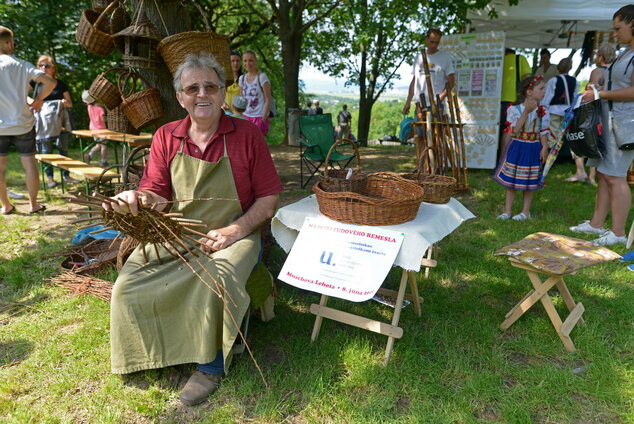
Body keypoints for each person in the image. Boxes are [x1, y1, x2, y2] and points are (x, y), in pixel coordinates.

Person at [105, 52, 283, 406]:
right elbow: (154, 192)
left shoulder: (246, 135)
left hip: (237, 235)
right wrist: (136, 198)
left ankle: (209, 366)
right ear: (181, 97)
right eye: (192, 88)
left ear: (221, 93)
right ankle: (148, 351)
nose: (202, 94)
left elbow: (269, 200)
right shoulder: (166, 136)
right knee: (129, 281)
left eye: (210, 87)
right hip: (180, 232)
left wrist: (235, 230)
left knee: (215, 280)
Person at [571, 5, 634, 246]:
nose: (615, 33)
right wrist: (597, 91)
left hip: (626, 125)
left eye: (618, 28)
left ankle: (617, 233)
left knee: (616, 177)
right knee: (605, 173)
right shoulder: (626, 52)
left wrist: (601, 95)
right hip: (611, 122)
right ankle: (596, 224)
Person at [0, 26, 53, 215]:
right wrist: (39, 100)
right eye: (12, 42)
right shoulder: (21, 64)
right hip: (23, 124)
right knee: (29, 163)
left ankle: (6, 206)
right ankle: (33, 205)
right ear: (7, 42)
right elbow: (50, 82)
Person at [493, 75, 549, 221]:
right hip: (517, 146)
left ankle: (525, 212)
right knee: (511, 180)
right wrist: (526, 112)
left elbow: (543, 131)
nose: (544, 91)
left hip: (533, 148)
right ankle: (507, 211)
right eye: (541, 88)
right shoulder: (514, 109)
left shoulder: (543, 111)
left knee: (529, 181)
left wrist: (544, 147)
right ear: (529, 91)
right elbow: (515, 130)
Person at [30, 55, 79, 188]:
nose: (44, 68)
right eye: (41, 65)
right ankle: (50, 178)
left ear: (53, 68)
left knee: (63, 149)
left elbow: (70, 103)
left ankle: (66, 176)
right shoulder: (34, 84)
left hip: (60, 121)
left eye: (47, 66)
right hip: (43, 124)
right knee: (46, 151)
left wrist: (63, 103)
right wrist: (34, 104)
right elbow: (23, 97)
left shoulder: (61, 84)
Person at [580, 43, 618, 185]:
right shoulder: (615, 70)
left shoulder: (598, 71)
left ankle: (592, 175)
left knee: (596, 142)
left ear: (601, 56)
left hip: (599, 111)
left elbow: (591, 91)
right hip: (613, 111)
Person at [541, 58, 583, 179]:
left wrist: (543, 108)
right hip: (567, 112)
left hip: (554, 111)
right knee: (566, 137)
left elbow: (548, 97)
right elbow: (575, 97)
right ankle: (562, 160)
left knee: (552, 136)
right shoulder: (574, 81)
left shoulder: (554, 80)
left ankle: (548, 162)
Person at [403, 28, 455, 117]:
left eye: (437, 42)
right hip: (419, 105)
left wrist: (440, 99)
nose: (434, 45)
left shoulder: (445, 57)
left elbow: (451, 82)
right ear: (426, 40)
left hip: (436, 105)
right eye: (432, 42)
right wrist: (408, 101)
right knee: (419, 130)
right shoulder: (418, 57)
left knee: (435, 130)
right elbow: (414, 81)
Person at [239, 50, 272, 135]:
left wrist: (263, 120)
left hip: (259, 116)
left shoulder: (262, 77)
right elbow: (241, 99)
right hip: (245, 117)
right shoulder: (242, 79)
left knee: (258, 146)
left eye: (251, 60)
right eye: (245, 61)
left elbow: (268, 99)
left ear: (256, 61)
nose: (248, 63)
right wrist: (240, 117)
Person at [81, 90, 109, 167]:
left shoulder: (89, 107)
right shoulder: (100, 109)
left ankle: (89, 155)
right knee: (104, 146)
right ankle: (103, 161)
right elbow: (103, 119)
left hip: (93, 129)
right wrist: (107, 118)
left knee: (98, 145)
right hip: (101, 130)